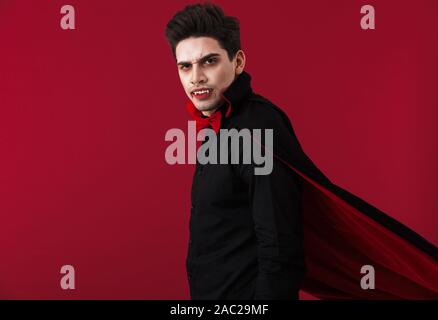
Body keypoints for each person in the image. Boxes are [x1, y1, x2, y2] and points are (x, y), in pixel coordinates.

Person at [165, 3, 438, 300]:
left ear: (238, 61)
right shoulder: (217, 127)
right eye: (185, 66)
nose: (196, 78)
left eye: (209, 61)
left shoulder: (257, 128)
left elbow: (281, 251)